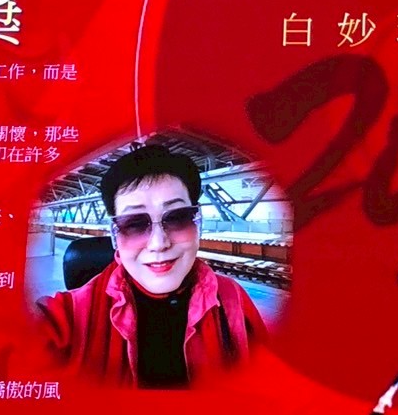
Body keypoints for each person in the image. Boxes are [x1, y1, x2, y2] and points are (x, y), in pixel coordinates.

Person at [37, 143, 266, 387]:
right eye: (135, 224)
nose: (158, 244)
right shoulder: (66, 318)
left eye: (177, 218)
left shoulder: (232, 300)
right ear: (114, 235)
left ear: (196, 222)